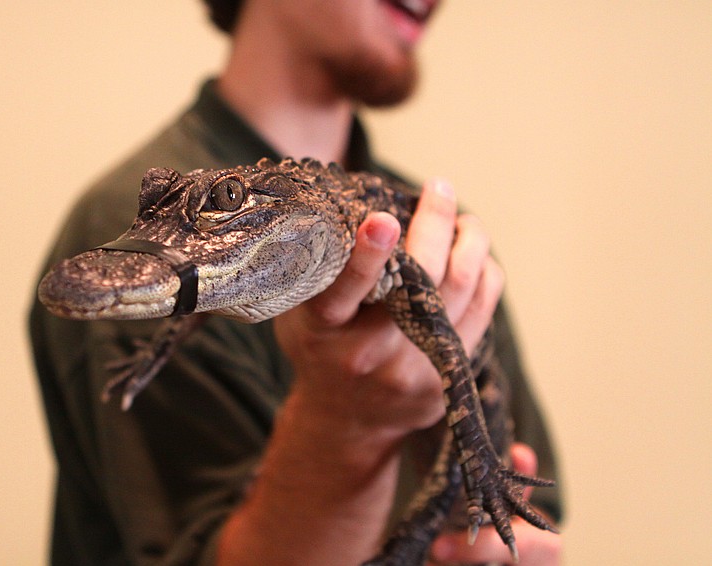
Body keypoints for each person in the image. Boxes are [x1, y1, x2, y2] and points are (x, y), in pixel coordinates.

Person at [29, 1, 563, 564]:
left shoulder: (444, 234)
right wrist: (348, 418)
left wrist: (515, 548)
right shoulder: (116, 223)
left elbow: (527, 503)